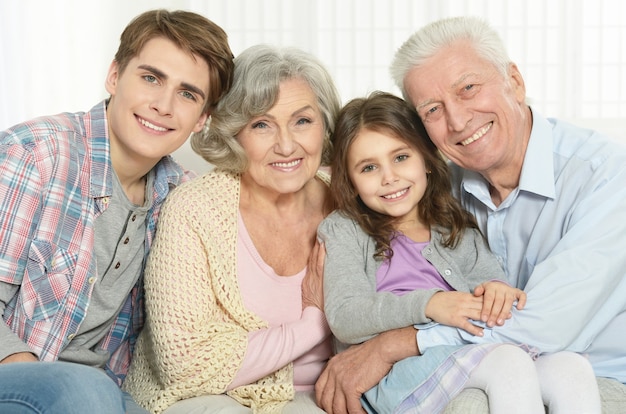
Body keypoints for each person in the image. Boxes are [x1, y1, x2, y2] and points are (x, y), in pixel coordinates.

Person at [315, 15, 626, 414]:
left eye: (468, 88)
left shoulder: (607, 178)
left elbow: (542, 322)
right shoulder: (445, 188)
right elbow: (347, 309)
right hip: (483, 361)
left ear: (514, 81)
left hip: (599, 370)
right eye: (432, 109)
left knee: (567, 368)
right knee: (494, 385)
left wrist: (396, 342)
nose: (458, 121)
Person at [0, 9, 234, 413]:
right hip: (22, 378)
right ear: (114, 76)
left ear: (202, 120)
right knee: (81, 390)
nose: (163, 105)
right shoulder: (36, 154)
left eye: (188, 94)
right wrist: (30, 369)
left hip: (103, 392)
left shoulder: (181, 197)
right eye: (151, 78)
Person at [121, 44, 342, 414]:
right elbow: (183, 364)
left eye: (303, 121)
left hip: (332, 396)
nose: (287, 145)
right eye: (261, 125)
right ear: (232, 133)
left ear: (325, 125)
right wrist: (314, 324)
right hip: (212, 399)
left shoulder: (356, 197)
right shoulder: (196, 209)